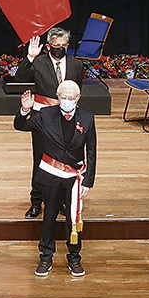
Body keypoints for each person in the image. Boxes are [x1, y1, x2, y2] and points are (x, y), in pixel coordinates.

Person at [15, 81, 96, 278]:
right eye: (63, 97)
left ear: (78, 98)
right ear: (58, 97)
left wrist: (87, 182)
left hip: (74, 178)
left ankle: (74, 258)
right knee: (49, 217)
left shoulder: (87, 118)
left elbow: (91, 153)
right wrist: (25, 110)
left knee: (73, 219)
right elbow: (21, 125)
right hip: (50, 176)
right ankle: (46, 257)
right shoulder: (45, 114)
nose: (66, 101)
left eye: (71, 98)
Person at [13, 27, 84, 219]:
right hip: (42, 118)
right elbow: (19, 78)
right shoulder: (40, 62)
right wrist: (30, 57)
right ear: (48, 46)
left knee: (63, 159)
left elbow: (78, 93)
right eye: (56, 45)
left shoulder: (76, 65)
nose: (60, 48)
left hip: (67, 118)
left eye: (64, 45)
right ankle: (36, 201)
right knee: (40, 159)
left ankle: (60, 200)